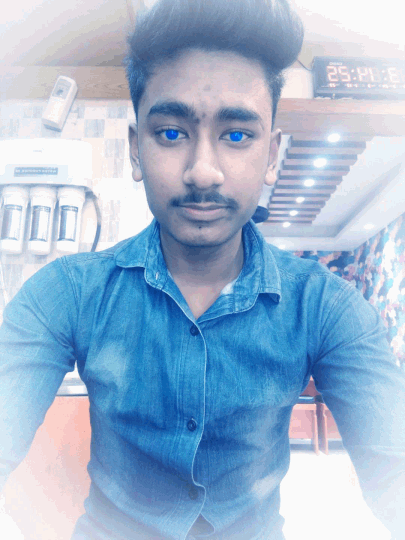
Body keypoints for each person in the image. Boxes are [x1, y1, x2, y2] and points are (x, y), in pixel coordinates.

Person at [1, 0, 405, 538]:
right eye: (172, 133)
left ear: (273, 157)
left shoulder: (326, 307)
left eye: (237, 135)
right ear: (136, 150)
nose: (203, 172)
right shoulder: (66, 293)